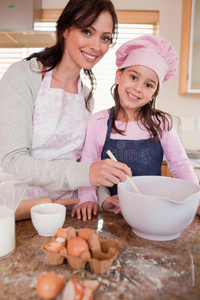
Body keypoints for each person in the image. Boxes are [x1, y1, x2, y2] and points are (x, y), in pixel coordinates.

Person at [0, 0, 132, 202]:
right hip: (23, 211)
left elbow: (84, 163)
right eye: (87, 31)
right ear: (65, 30)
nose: (96, 46)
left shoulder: (87, 97)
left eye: (105, 38)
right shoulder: (23, 76)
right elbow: (12, 160)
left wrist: (103, 197)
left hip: (70, 211)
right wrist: (86, 172)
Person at [72, 34, 199, 221]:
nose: (138, 88)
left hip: (151, 212)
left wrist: (195, 199)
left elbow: (180, 164)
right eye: (133, 77)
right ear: (118, 76)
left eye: (148, 84)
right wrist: (88, 199)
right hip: (112, 213)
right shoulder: (98, 122)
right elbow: (89, 164)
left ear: (154, 93)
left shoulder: (161, 124)